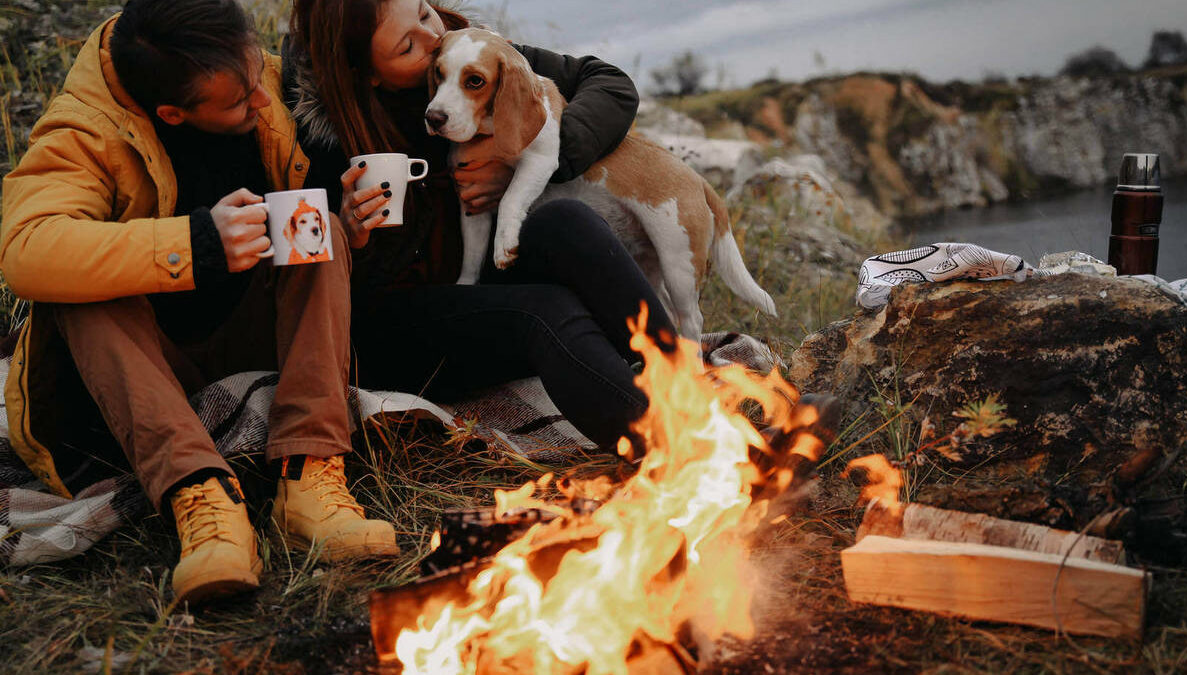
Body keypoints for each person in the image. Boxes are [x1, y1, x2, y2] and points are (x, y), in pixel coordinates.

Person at [0, 0, 398, 606]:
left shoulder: (249, 74)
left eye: (255, 77)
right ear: (171, 113)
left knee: (320, 230)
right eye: (239, 102)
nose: (263, 100)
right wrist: (197, 242)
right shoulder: (84, 127)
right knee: (76, 291)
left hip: (244, 335)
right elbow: (26, 250)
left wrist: (349, 221)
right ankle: (202, 497)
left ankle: (310, 478)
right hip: (142, 368)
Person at [286, 0, 679, 451]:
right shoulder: (318, 135)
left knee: (566, 221)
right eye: (407, 45)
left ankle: (685, 390)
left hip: (478, 278)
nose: (432, 40)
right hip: (397, 326)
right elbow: (301, 275)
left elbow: (610, 84)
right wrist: (348, 232)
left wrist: (522, 161)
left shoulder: (472, 53)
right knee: (543, 310)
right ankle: (669, 448)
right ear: (366, 73)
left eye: (423, 13)